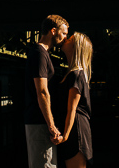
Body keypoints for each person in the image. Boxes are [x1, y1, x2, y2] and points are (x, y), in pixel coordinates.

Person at [25, 14, 69, 168]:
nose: (65, 38)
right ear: (53, 31)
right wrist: (51, 125)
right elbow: (42, 91)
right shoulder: (39, 54)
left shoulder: (42, 54)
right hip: (40, 123)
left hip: (40, 122)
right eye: (63, 33)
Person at [53, 32, 93, 167]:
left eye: (69, 39)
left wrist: (65, 136)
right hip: (72, 128)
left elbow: (72, 109)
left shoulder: (77, 74)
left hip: (76, 130)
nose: (65, 38)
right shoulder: (73, 73)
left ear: (76, 47)